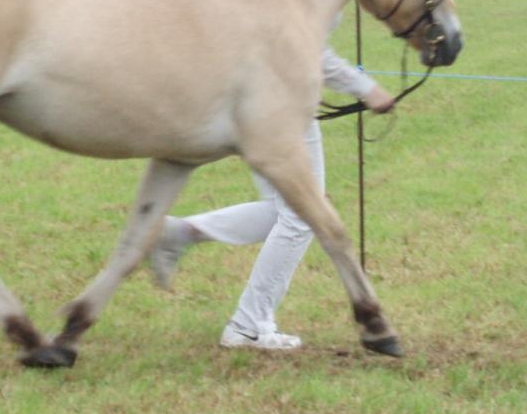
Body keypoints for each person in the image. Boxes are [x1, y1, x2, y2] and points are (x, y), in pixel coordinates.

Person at [150, 44, 396, 350]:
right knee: (305, 214)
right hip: (279, 99)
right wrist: (363, 87)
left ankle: (181, 232)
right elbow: (303, 45)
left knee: (285, 209)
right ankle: (248, 325)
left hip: (249, 94)